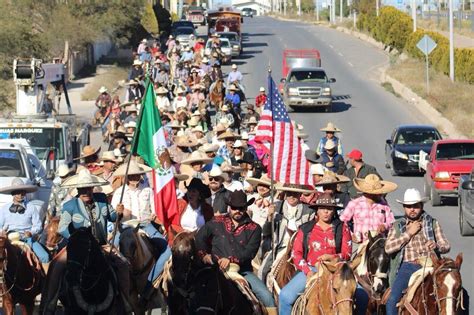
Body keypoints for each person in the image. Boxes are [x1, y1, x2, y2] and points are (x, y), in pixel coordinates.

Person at [42, 170, 130, 312]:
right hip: (77, 247)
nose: (85, 192)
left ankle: (126, 301)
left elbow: (113, 218)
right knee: (56, 265)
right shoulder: (69, 206)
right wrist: (77, 240)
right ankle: (49, 303)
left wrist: (118, 212)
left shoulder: (102, 199)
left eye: (87, 188)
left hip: (102, 245)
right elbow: (63, 228)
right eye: (82, 189)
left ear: (92, 188)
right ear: (77, 190)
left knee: (123, 264)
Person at [195, 190, 277, 314]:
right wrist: (203, 255)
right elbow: (200, 237)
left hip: (243, 271)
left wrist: (231, 259)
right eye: (234, 207)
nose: (237, 210)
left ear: (246, 207)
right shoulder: (216, 221)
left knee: (267, 297)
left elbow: (250, 252)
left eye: (241, 207)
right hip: (214, 269)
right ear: (230, 207)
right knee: (193, 292)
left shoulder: (255, 228)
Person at [279, 193, 352, 315]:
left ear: (334, 211)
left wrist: (332, 257)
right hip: (312, 269)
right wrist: (307, 271)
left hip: (337, 270)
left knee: (362, 296)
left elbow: (347, 253)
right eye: (322, 208)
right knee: (285, 297)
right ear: (317, 210)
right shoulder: (305, 229)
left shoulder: (342, 228)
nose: (326, 212)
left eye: (329, 209)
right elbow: (296, 253)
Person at [112, 160, 172, 305]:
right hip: (125, 227)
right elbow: (113, 216)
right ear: (126, 177)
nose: (134, 178)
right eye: (131, 175)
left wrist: (153, 215)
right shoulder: (118, 193)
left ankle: (150, 283)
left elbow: (154, 210)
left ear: (140, 175)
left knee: (167, 250)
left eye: (136, 175)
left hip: (145, 225)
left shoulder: (147, 190)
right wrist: (118, 213)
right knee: (112, 252)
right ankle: (116, 288)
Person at [385, 188, 450, 315]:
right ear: (404, 207)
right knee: (392, 300)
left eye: (415, 206)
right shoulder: (398, 226)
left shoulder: (432, 223)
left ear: (421, 206)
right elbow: (388, 248)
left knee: (455, 292)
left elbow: (446, 245)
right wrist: (408, 233)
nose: (412, 209)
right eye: (409, 206)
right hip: (408, 265)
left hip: (431, 265)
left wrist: (437, 246)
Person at [259, 184, 314, 282]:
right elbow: (266, 232)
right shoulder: (276, 206)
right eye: (289, 194)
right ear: (285, 194)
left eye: (295, 194)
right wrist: (270, 217)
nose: (292, 197)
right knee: (262, 270)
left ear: (300, 194)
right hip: (280, 247)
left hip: (302, 248)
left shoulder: (309, 210)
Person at [0, 178, 49, 263]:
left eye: (22, 192)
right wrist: (2, 232)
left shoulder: (31, 207)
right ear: (13, 193)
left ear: (25, 193)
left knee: (44, 257)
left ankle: (45, 275)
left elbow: (38, 225)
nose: (20, 194)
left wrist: (31, 232)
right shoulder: (4, 209)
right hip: (8, 239)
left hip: (27, 239)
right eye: (17, 192)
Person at [339, 174, 397, 244]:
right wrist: (351, 235)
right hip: (360, 243)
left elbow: (391, 222)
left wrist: (384, 226)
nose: (381, 194)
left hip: (379, 243)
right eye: (379, 193)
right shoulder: (354, 203)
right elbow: (342, 222)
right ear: (372, 194)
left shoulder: (384, 204)